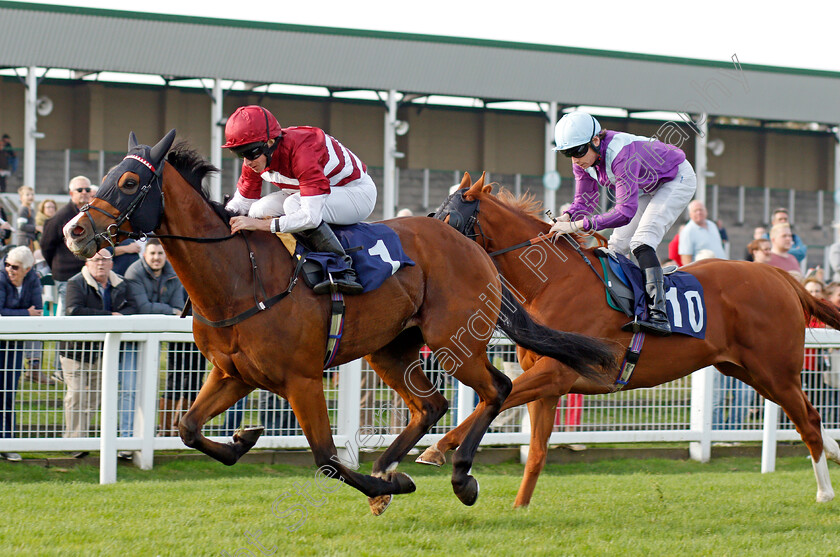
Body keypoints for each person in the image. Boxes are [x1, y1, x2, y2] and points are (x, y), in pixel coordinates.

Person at [549, 110, 697, 336]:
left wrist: (577, 226)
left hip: (676, 179)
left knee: (641, 242)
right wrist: (568, 216)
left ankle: (659, 315)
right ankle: (623, 307)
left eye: (577, 150)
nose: (575, 158)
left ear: (596, 140)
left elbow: (624, 213)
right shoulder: (583, 160)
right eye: (566, 153)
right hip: (647, 185)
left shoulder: (621, 155)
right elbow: (585, 201)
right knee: (615, 247)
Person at [222, 105, 377, 295]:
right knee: (257, 210)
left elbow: (310, 217)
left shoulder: (303, 151)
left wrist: (260, 225)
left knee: (292, 205)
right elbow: (242, 203)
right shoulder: (257, 158)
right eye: (240, 154)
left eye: (251, 153)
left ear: (270, 142)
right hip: (315, 191)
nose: (246, 162)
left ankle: (342, 269)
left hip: (356, 193)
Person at [61, 248, 137, 458]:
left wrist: (117, 315)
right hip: (75, 352)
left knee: (94, 396)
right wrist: (110, 316)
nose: (100, 264)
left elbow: (132, 308)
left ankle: (83, 439)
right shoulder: (75, 283)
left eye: (105, 260)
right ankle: (73, 441)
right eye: (96, 260)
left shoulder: (120, 283)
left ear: (112, 263)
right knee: (76, 394)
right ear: (87, 263)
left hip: (101, 352)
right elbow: (74, 311)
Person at [124, 239, 195, 436]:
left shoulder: (172, 272)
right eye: (152, 253)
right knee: (138, 383)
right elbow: (143, 308)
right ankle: (150, 430)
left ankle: (174, 429)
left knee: (187, 376)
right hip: (135, 332)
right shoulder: (134, 272)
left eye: (160, 254)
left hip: (164, 329)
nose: (156, 258)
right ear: (145, 255)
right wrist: (169, 310)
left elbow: (178, 307)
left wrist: (170, 310)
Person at [0, 246, 44, 461]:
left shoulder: (33, 280)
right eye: (7, 264)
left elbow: (38, 309)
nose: (9, 269)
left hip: (14, 345)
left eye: (15, 267)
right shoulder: (0, 278)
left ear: (27, 269)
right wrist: (24, 313)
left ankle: (8, 442)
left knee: (9, 392)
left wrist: (21, 314)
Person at [41, 176, 93, 315]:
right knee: (67, 312)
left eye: (87, 189)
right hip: (66, 274)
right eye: (80, 190)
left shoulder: (91, 214)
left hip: (86, 272)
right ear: (71, 193)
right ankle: (60, 337)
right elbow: (46, 245)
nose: (84, 192)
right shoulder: (61, 216)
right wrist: (58, 265)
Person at [678, 200, 727, 264]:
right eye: (695, 211)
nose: (699, 212)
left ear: (706, 211)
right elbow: (686, 258)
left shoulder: (712, 225)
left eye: (701, 209)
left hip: (721, 267)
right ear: (690, 214)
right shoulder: (687, 231)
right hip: (704, 271)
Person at [13, 185, 38, 250]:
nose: (30, 197)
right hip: (24, 240)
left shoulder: (31, 209)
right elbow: (21, 226)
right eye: (27, 195)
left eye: (32, 194)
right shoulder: (23, 209)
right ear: (21, 198)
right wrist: (36, 228)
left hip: (30, 239)